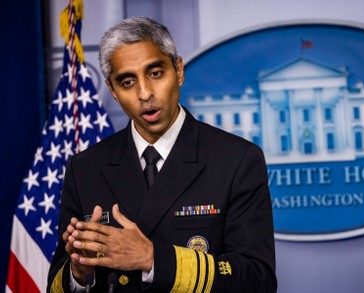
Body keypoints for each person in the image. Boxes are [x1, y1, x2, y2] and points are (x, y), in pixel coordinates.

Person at [47, 16, 276, 292]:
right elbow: (56, 285)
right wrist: (79, 272)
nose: (145, 93)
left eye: (155, 73)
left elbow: (258, 280)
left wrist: (151, 258)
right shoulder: (85, 168)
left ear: (178, 71)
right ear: (113, 91)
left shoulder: (237, 160)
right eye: (128, 81)